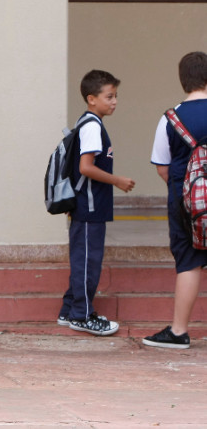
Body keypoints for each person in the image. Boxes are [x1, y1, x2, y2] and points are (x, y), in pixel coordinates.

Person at [56, 70, 135, 336]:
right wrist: (117, 180)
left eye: (115, 96)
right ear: (91, 99)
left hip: (89, 206)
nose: (114, 102)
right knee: (88, 262)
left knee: (83, 259)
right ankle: (82, 315)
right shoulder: (91, 126)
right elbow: (86, 167)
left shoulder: (89, 123)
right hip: (88, 206)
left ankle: (69, 310)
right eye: (109, 96)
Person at [143, 51, 207, 349]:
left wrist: (191, 193)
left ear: (183, 80)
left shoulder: (170, 118)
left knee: (189, 262)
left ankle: (179, 331)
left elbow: (162, 167)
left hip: (186, 203)